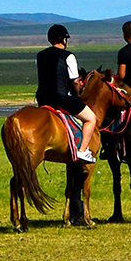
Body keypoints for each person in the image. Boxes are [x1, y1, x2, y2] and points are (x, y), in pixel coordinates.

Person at [36, 24, 97, 164]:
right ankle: (82, 151)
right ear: (63, 39)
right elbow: (75, 81)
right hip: (62, 98)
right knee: (91, 119)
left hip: (43, 99)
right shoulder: (68, 56)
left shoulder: (39, 56)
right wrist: (77, 94)